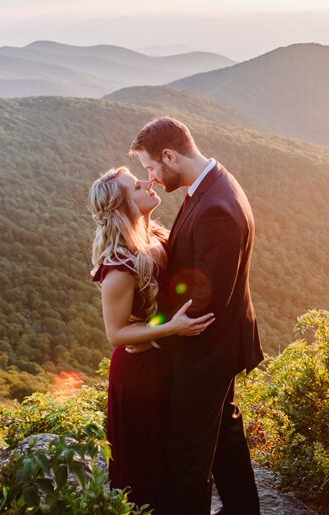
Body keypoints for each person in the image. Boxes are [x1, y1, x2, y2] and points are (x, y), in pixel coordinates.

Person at [131, 116, 264, 515]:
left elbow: (205, 297)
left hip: (207, 349)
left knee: (186, 454)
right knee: (224, 434)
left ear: (170, 156)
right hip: (219, 343)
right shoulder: (210, 184)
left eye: (152, 167)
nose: (151, 178)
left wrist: (148, 326)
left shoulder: (216, 207)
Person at [89, 166, 215, 512]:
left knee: (172, 456)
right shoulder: (119, 267)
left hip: (164, 362)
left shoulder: (156, 236)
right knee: (146, 465)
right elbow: (116, 334)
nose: (149, 183)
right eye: (135, 185)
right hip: (139, 373)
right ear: (122, 206)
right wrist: (171, 329)